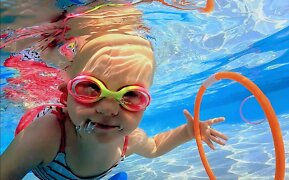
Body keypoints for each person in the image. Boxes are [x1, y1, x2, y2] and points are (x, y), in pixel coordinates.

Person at [0, 2, 228, 180]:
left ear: (146, 103)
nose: (109, 109)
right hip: (38, 130)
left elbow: (156, 147)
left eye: (130, 96)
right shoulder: (47, 135)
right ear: (66, 93)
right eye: (90, 89)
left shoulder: (128, 141)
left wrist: (188, 133)